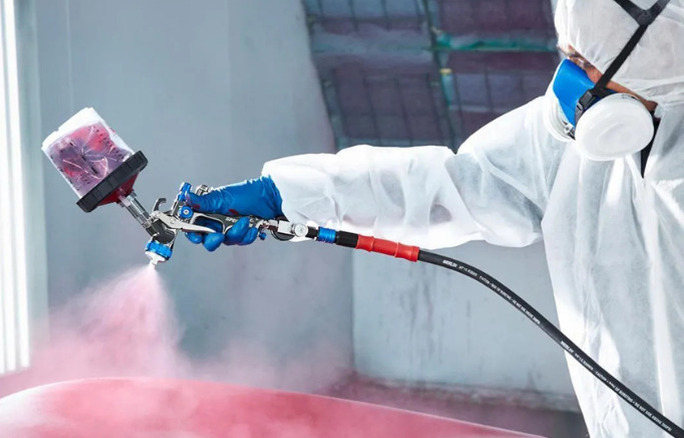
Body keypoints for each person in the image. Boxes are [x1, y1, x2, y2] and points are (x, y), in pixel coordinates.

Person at [186, 0, 684, 436]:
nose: (569, 82)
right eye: (571, 54)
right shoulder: (573, 139)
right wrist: (287, 195)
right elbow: (457, 184)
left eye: (588, 62)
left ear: (660, 62)